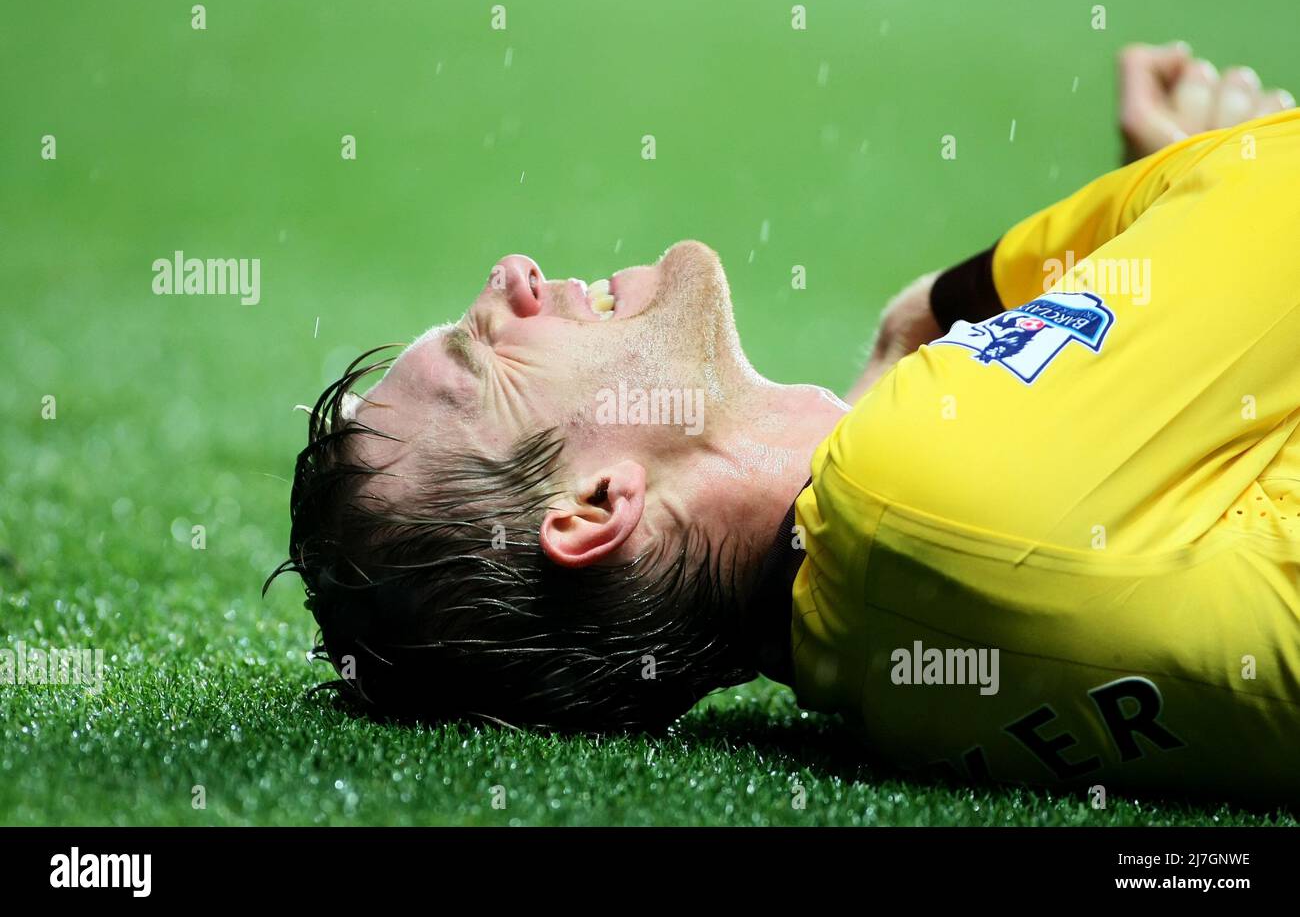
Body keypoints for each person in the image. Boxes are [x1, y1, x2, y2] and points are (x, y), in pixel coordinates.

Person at [272, 43, 1299, 801]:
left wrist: (1158, 223)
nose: (510, 276)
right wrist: (1008, 269)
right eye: (482, 353)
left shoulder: (885, 654)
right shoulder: (904, 490)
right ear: (594, 505)